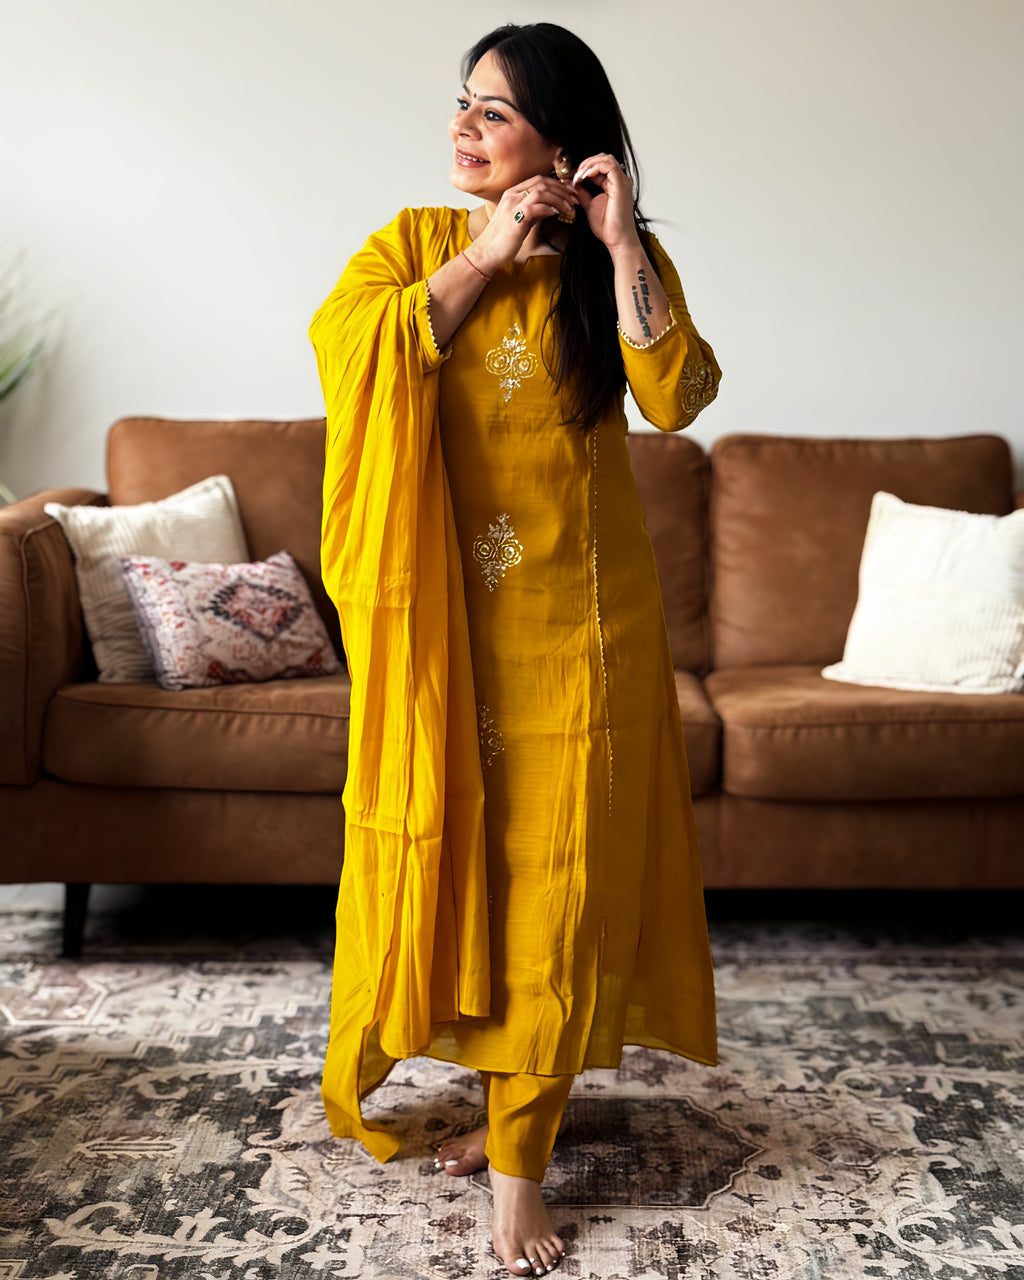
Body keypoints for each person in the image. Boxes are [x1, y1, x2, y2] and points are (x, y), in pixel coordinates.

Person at [310, 22, 720, 1278]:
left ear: (561, 137)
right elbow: (351, 350)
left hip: (581, 638)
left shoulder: (616, 265)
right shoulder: (417, 245)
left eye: (492, 114)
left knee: (556, 884)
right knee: (468, 872)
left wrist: (619, 233)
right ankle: (505, 1108)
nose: (462, 129)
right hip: (451, 631)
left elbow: (678, 392)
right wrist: (493, 249)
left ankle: (518, 1176)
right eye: (461, 106)